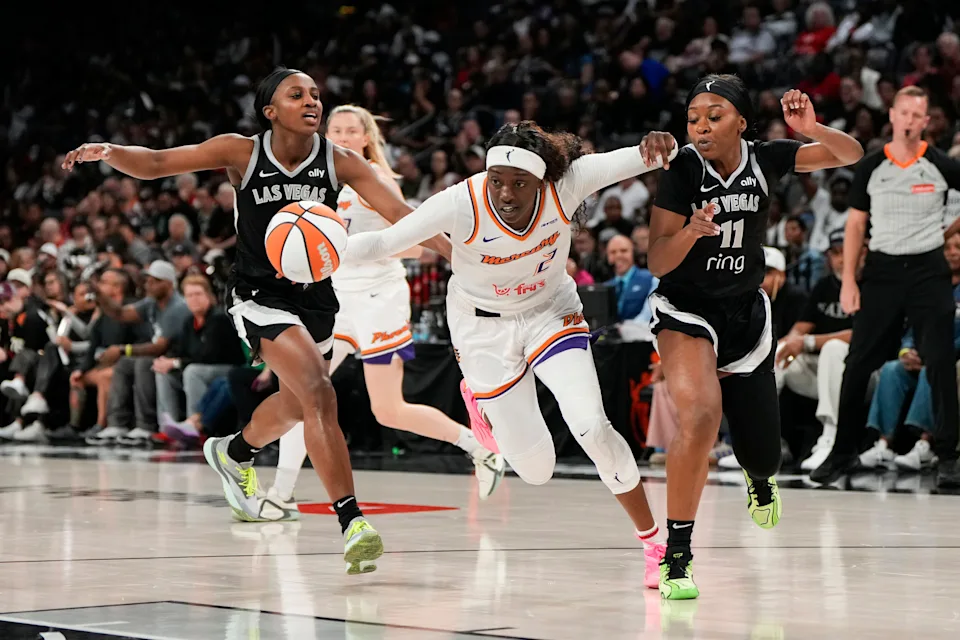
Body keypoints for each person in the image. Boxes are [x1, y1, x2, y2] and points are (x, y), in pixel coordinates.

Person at [62, 67, 451, 575]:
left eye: (315, 94)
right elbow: (158, 162)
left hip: (317, 298)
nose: (311, 101)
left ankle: (234, 452)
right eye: (297, 95)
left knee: (296, 403)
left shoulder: (340, 162)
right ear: (271, 111)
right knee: (319, 391)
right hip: (258, 296)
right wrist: (109, 152)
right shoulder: (242, 152)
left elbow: (403, 214)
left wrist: (454, 252)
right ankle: (352, 522)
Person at [344, 120, 673, 591]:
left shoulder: (569, 183)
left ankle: (655, 542)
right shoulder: (461, 201)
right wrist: (324, 253)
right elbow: (381, 243)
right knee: (536, 472)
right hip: (481, 330)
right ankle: (479, 397)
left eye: (519, 183)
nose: (506, 192)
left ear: (542, 180)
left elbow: (639, 155)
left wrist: (660, 145)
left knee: (592, 427)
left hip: (549, 313)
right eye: (497, 179)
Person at [646, 75, 862, 599]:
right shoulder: (681, 171)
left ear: (741, 121)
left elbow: (850, 155)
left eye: (713, 115)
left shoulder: (766, 159)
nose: (700, 126)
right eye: (693, 117)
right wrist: (690, 234)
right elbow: (656, 258)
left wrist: (812, 129)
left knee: (764, 455)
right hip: (687, 309)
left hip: (745, 312)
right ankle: (677, 555)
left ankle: (758, 477)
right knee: (699, 416)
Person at [263, 105, 504, 522]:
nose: (339, 134)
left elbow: (412, 241)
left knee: (388, 410)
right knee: (305, 393)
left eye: (349, 130)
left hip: (379, 297)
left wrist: (360, 245)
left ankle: (480, 448)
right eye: (333, 128)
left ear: (365, 138)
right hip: (334, 298)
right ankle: (280, 495)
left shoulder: (374, 179)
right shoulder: (312, 180)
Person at [812, 86, 960, 488]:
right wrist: (848, 282)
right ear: (891, 116)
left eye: (918, 115)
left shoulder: (941, 164)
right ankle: (841, 452)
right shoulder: (871, 166)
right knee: (858, 361)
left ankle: (948, 454)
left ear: (927, 122)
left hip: (929, 269)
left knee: (941, 360)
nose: (910, 121)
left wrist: (946, 232)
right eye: (904, 113)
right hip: (882, 270)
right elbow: (856, 224)